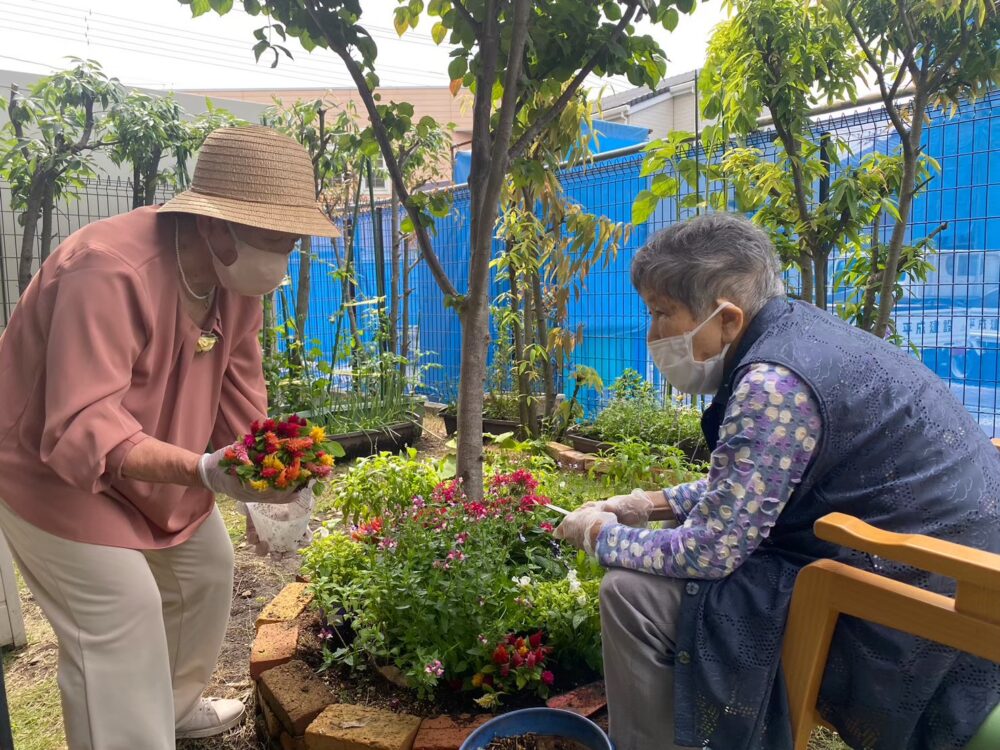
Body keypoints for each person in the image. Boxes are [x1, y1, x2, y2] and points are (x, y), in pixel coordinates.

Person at [554, 213, 1000, 750]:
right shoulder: (802, 332)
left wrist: (599, 535)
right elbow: (763, 484)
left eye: (660, 312)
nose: (651, 334)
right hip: (956, 572)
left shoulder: (771, 384)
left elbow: (709, 552)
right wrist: (649, 504)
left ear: (726, 318)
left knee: (630, 594)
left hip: (913, 611)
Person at [0, 125, 339, 749]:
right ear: (213, 226)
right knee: (118, 613)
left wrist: (273, 479)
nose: (285, 256)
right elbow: (82, 424)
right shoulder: (106, 271)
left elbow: (241, 400)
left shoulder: (233, 284)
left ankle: (172, 708)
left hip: (153, 462)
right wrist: (205, 471)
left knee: (206, 569)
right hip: (49, 467)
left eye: (292, 241)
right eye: (274, 239)